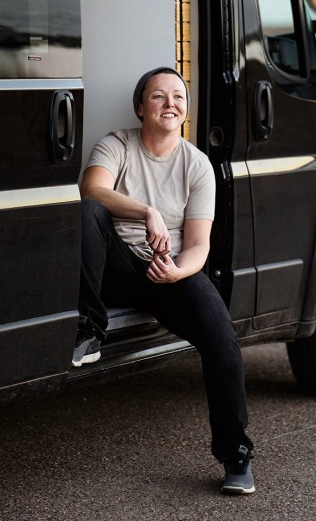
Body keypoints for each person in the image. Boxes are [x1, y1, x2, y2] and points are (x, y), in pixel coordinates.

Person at [73, 66, 255, 495]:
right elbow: (91, 190)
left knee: (222, 340)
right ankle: (90, 329)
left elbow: (199, 245)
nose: (170, 103)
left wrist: (176, 271)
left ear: (186, 109)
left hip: (169, 270)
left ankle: (236, 455)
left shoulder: (198, 165)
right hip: (118, 265)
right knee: (89, 213)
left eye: (178, 96)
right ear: (141, 107)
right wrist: (146, 212)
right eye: (158, 96)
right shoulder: (116, 144)